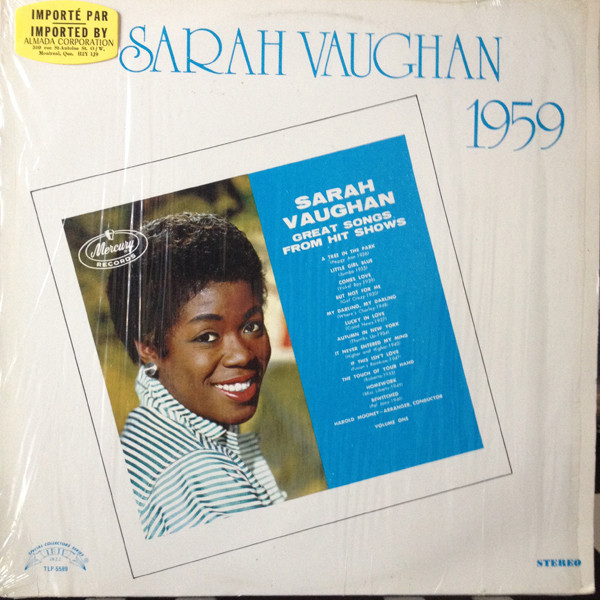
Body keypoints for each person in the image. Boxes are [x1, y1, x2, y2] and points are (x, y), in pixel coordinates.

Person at [106, 212, 285, 539]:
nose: (242, 354)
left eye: (251, 326)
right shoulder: (199, 479)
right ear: (149, 347)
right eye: (207, 336)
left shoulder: (151, 432)